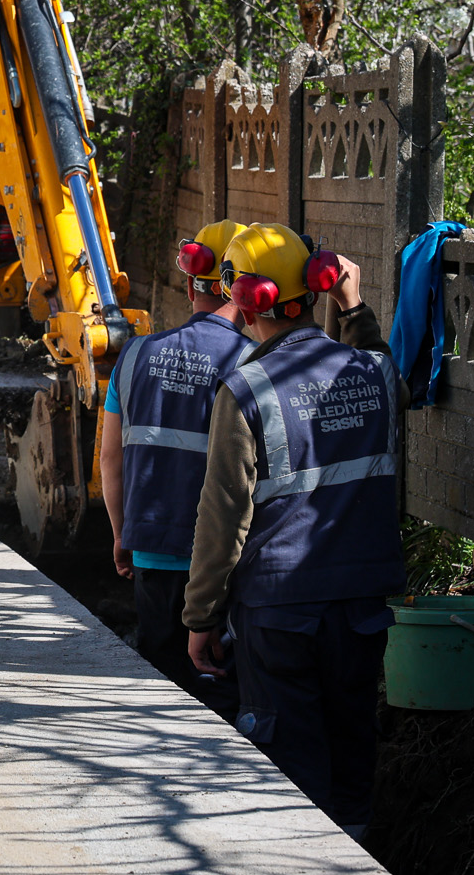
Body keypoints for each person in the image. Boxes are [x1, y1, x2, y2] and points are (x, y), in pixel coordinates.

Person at [183, 224, 407, 838]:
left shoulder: (247, 388)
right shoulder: (375, 373)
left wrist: (201, 615)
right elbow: (391, 374)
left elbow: (224, 512)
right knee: (353, 752)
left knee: (292, 769)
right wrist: (353, 308)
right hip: (360, 605)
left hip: (279, 612)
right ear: (315, 286)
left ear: (245, 297)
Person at [99, 218, 253, 710]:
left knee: (162, 690)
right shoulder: (255, 363)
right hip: (227, 562)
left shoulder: (136, 353)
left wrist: (122, 533)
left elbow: (110, 458)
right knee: (223, 691)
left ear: (189, 283)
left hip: (151, 549)